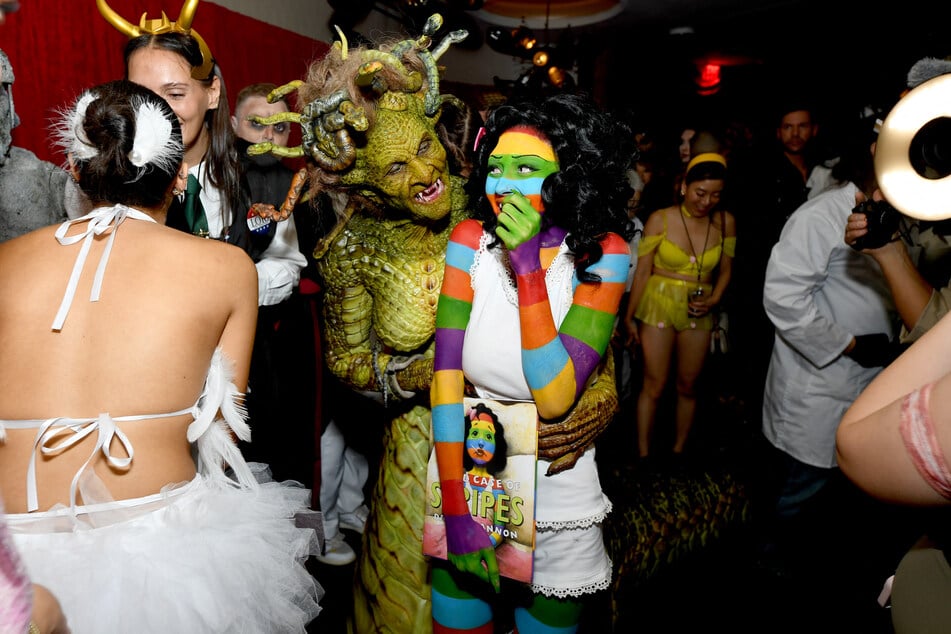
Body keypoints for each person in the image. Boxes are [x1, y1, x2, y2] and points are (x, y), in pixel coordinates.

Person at [0, 79, 321, 631]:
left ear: (75, 170)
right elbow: (222, 427)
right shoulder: (228, 269)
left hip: (13, 557)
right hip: (160, 551)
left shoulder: (5, 261)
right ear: (178, 178)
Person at [430, 91, 636, 633]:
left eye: (526, 169)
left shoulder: (605, 255)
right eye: (496, 167)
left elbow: (556, 396)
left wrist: (527, 269)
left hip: (558, 497)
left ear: (570, 176)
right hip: (472, 478)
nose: (503, 184)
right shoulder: (469, 241)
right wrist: (456, 511)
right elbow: (445, 380)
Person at [756, 123, 901, 573]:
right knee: (797, 497)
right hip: (817, 388)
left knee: (844, 502)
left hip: (872, 383)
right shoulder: (821, 215)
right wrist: (849, 344)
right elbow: (782, 296)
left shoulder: (905, 219)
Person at [103, 0, 307, 308]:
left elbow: (286, 264)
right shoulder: (112, 175)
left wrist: (224, 287)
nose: (158, 112)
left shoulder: (264, 173)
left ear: (212, 93)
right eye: (141, 96)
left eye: (175, 94)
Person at [623, 152, 736, 466]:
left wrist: (715, 299)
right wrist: (629, 317)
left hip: (699, 307)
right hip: (658, 302)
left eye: (715, 195)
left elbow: (726, 270)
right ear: (685, 186)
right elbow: (642, 272)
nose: (706, 202)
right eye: (700, 193)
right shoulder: (660, 218)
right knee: (654, 383)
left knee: (688, 384)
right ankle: (644, 456)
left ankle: (678, 453)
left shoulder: (725, 222)